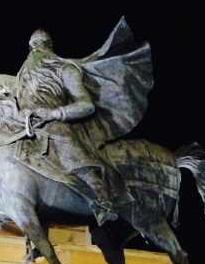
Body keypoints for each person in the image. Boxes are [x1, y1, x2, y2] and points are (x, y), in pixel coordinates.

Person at [16, 29, 128, 225]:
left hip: (57, 125)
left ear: (49, 46)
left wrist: (53, 113)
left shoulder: (65, 69)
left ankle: (101, 199)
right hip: (26, 128)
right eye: (32, 46)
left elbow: (86, 105)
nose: (35, 50)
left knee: (64, 140)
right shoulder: (22, 76)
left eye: (40, 44)